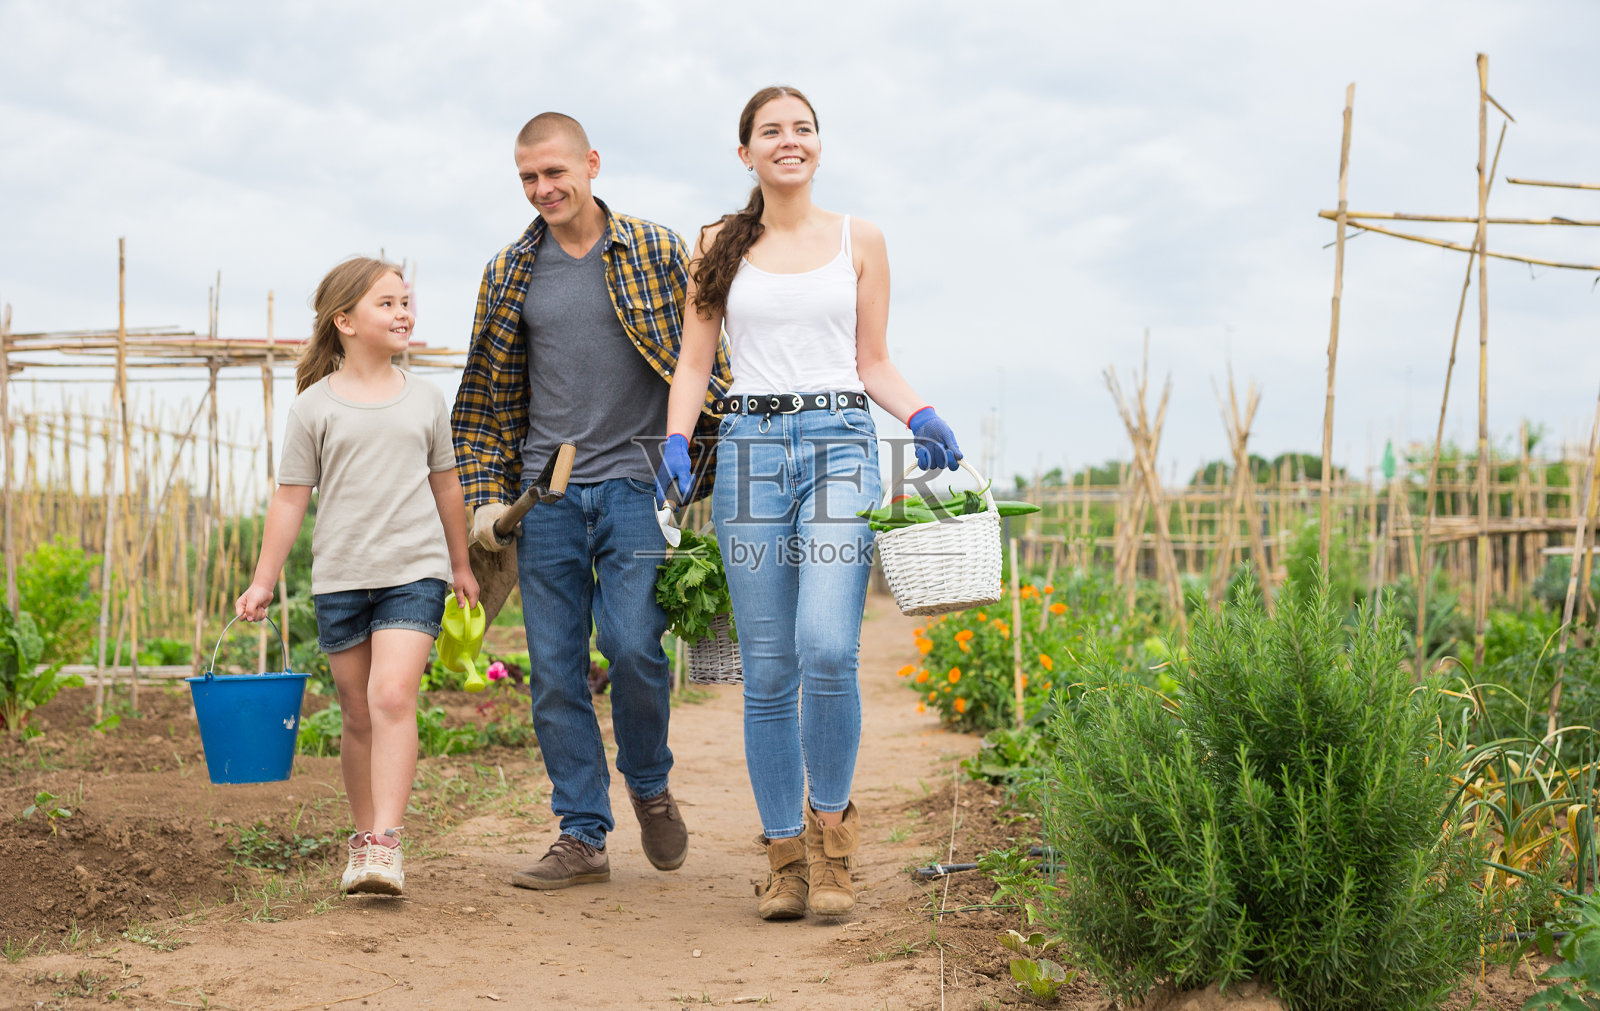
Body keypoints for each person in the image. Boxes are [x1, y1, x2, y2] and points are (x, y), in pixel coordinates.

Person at [657, 85, 963, 920]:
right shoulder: (719, 242)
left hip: (838, 446)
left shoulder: (860, 239)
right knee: (768, 669)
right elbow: (694, 362)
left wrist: (922, 413)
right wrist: (679, 442)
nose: (788, 141)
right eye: (770, 131)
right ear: (746, 153)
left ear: (819, 146)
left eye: (802, 129)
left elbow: (873, 360)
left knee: (826, 645)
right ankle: (785, 857)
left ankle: (835, 844)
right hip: (752, 450)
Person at [452, 112, 732, 889]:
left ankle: (647, 781)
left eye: (554, 173)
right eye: (528, 179)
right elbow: (480, 401)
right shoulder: (510, 271)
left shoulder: (656, 249)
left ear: (592, 164)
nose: (542, 190)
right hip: (548, 501)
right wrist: (486, 503)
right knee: (555, 670)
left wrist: (702, 454)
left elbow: (710, 361)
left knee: (637, 644)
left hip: (640, 487)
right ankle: (582, 832)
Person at [236, 256, 479, 897]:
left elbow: (447, 486)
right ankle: (363, 835)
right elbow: (291, 498)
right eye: (388, 303)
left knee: (392, 697)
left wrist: (459, 563)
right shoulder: (313, 407)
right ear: (344, 321)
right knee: (356, 713)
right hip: (340, 576)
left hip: (414, 571)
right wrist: (264, 581)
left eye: (406, 301)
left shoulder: (426, 398)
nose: (404, 312)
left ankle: (385, 844)